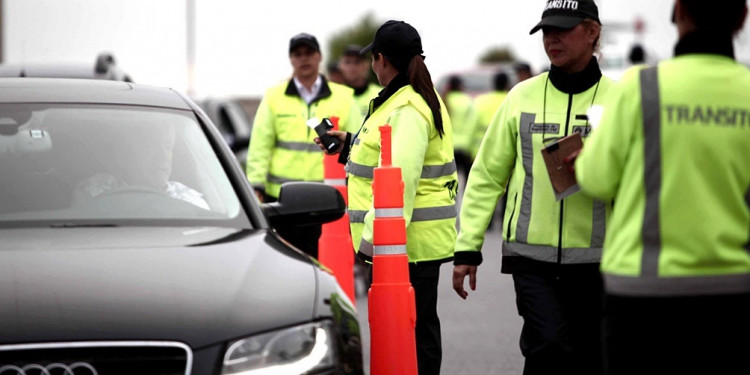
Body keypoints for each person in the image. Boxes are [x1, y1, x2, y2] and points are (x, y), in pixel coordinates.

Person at [573, 1, 750, 374]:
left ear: (679, 13)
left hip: (643, 292)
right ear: (744, 18)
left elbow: (597, 178)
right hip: (734, 291)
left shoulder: (642, 86)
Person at [452, 1, 615, 374]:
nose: (551, 38)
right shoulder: (520, 97)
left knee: (593, 358)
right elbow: (486, 175)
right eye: (546, 30)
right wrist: (467, 248)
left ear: (592, 32)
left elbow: (639, 181)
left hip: (601, 261)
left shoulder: (620, 101)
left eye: (563, 29)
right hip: (532, 261)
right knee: (548, 351)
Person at [316, 20, 457, 375]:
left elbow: (400, 182)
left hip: (407, 246)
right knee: (412, 330)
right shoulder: (401, 99)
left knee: (413, 334)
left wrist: (371, 242)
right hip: (405, 244)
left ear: (382, 60)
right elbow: (386, 157)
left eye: (373, 58)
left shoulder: (406, 108)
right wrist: (348, 142)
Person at [246, 32, 361, 258]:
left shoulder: (344, 97)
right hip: (281, 201)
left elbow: (358, 145)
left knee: (326, 264)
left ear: (319, 56)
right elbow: (260, 145)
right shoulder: (273, 96)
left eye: (309, 53)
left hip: (328, 201)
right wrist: (256, 186)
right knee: (284, 264)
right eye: (297, 54)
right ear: (291, 60)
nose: (304, 59)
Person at [443, 75, 478, 187]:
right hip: (465, 147)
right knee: (467, 181)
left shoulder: (444, 100)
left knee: (450, 182)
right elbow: (472, 125)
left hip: (449, 147)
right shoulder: (468, 101)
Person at [471, 71, 509, 158]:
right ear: (507, 84)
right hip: (504, 152)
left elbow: (472, 126)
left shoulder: (480, 100)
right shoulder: (511, 100)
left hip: (480, 151)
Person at [339, 44, 381, 117]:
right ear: (340, 65)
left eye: (357, 62)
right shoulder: (334, 95)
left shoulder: (380, 95)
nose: (352, 67)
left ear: (367, 65)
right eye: (347, 62)